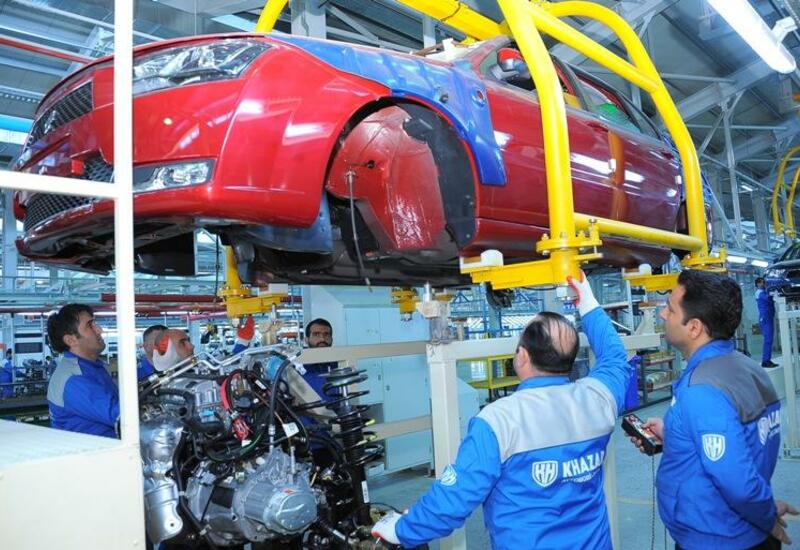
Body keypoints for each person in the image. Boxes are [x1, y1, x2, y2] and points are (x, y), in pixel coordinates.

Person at [372, 272, 632, 548]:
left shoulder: (498, 421)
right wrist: (588, 303)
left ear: (522, 356)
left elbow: (454, 499)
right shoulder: (598, 400)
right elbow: (615, 357)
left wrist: (401, 530)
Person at [631, 270, 797, 548]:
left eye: (670, 309)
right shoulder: (748, 368)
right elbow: (742, 443)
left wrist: (766, 516)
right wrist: (673, 434)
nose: (662, 314)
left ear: (694, 327)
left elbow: (737, 483)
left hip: (716, 538)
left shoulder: (702, 390)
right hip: (742, 532)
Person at [46, 304, 119, 438]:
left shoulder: (91, 366)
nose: (99, 330)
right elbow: (120, 416)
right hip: (96, 450)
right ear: (71, 340)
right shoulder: (73, 378)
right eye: (90, 325)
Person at [755, 277, 779, 368]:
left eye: (764, 282)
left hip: (769, 317)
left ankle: (767, 360)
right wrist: (774, 294)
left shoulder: (764, 292)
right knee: (768, 340)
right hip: (765, 318)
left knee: (769, 339)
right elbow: (768, 299)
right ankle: (765, 361)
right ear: (758, 284)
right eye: (762, 282)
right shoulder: (759, 292)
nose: (764, 284)